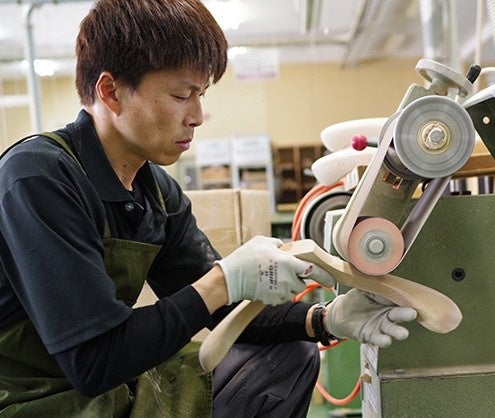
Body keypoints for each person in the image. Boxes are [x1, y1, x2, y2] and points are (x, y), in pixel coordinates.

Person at [0, 0, 417, 416]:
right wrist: (224, 279)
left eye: (200, 94)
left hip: (113, 387)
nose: (198, 116)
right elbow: (94, 361)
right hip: (33, 398)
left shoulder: (155, 193)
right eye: (182, 95)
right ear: (110, 91)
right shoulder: (38, 178)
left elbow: (225, 310)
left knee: (286, 358)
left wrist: (325, 318)